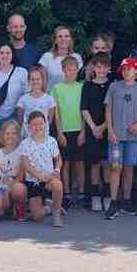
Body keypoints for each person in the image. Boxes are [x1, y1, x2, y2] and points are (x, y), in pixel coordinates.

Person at [104, 57, 137, 218]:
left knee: (129, 168)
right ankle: (113, 201)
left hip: (132, 137)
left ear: (136, 70)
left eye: (129, 69)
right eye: (123, 69)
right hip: (116, 136)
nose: (126, 72)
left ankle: (127, 200)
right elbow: (108, 109)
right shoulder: (114, 87)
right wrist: (110, 130)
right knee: (116, 167)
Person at [20, 111, 65, 226]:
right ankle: (50, 208)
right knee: (37, 216)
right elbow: (27, 165)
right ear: (29, 126)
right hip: (34, 182)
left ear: (45, 124)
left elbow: (59, 159)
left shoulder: (51, 141)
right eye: (34, 124)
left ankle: (57, 214)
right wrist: (39, 176)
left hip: (49, 179)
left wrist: (56, 171)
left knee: (57, 184)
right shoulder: (25, 143)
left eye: (40, 124)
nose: (38, 127)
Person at [51, 55, 85, 207]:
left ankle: (81, 193)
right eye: (68, 69)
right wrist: (59, 133)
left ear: (77, 70)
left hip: (79, 130)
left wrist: (83, 131)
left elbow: (84, 110)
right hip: (64, 131)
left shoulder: (81, 87)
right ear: (63, 70)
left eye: (74, 70)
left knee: (79, 162)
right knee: (65, 163)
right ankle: (66, 193)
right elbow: (56, 112)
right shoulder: (57, 88)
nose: (71, 72)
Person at [80, 52, 112, 211]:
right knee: (94, 164)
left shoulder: (112, 86)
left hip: (108, 129)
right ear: (93, 68)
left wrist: (103, 126)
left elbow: (113, 110)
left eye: (104, 67)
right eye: (98, 67)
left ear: (109, 68)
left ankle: (107, 196)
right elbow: (84, 109)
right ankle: (95, 197)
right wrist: (93, 127)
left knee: (107, 164)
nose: (101, 70)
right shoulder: (87, 86)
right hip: (92, 130)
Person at [0, 119, 28, 222]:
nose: (10, 136)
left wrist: (8, 190)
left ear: (18, 135)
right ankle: (6, 209)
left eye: (13, 133)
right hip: (2, 188)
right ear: (2, 135)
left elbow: (21, 176)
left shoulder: (22, 152)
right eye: (7, 133)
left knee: (19, 189)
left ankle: (20, 207)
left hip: (16, 186)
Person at [16, 66, 57, 130]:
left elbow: (49, 120)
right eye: (32, 79)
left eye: (38, 79)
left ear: (42, 80)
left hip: (43, 134)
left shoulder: (49, 99)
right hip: (27, 134)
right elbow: (20, 120)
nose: (35, 82)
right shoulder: (22, 99)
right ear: (28, 81)